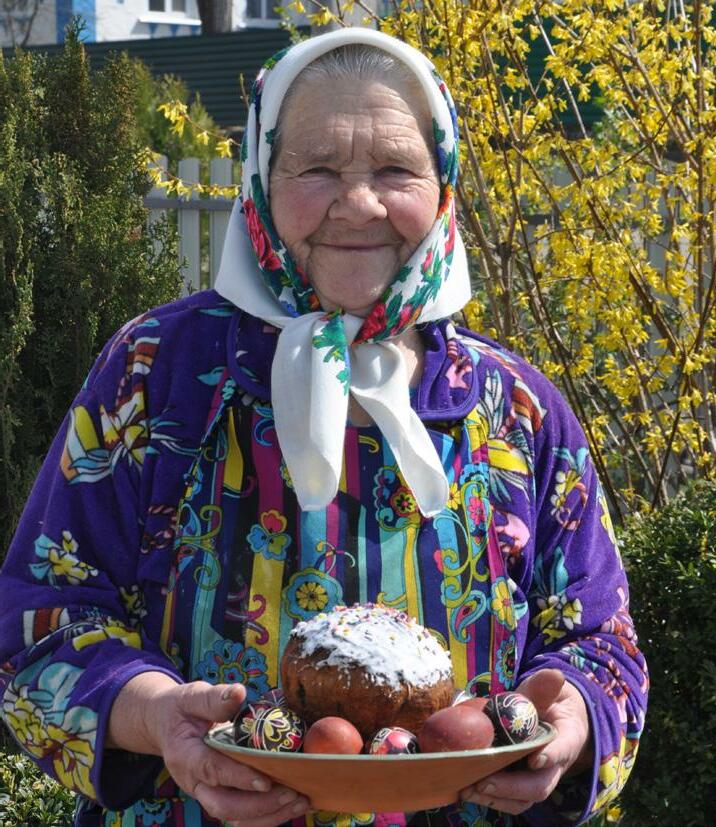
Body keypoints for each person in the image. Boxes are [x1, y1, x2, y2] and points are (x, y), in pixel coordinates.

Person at [0, 27, 647, 827]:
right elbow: (41, 622)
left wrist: (573, 719)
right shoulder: (157, 372)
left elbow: (601, 642)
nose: (360, 203)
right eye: (317, 168)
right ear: (261, 180)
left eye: (395, 169)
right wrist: (155, 714)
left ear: (442, 184)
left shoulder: (516, 407)